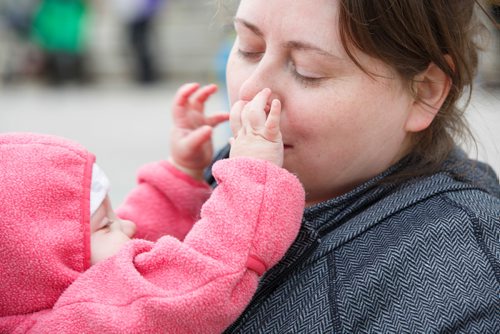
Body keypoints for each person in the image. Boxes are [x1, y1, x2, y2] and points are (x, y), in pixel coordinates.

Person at [203, 0, 500, 332]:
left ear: (424, 92)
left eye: (307, 70)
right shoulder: (231, 173)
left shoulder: (457, 280)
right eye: (248, 47)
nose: (250, 92)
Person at [0, 84, 305, 333]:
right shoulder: (78, 326)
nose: (129, 227)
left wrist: (182, 172)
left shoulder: (31, 299)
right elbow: (188, 286)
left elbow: (126, 245)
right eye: (107, 224)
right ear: (38, 261)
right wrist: (253, 179)